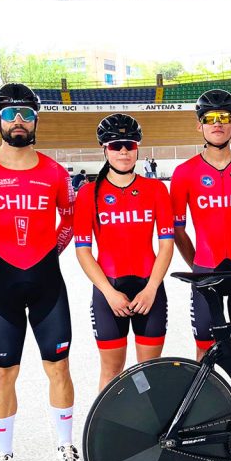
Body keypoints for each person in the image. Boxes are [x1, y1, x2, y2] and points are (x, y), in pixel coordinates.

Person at [0, 83, 81, 461]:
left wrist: (52, 251)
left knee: (59, 368)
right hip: (1, 287)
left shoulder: (54, 171)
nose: (18, 121)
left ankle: (65, 444)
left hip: (47, 283)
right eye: (10, 113)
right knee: (2, 375)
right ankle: (2, 453)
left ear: (36, 120)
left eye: (26, 114)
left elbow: (70, 218)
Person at [170, 89, 231, 395]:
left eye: (224, 118)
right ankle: (203, 413)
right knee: (205, 351)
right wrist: (196, 263)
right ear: (200, 126)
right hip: (205, 270)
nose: (217, 124)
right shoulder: (184, 173)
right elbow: (178, 231)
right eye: (210, 119)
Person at [74, 114, 174, 390]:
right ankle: (109, 432)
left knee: (148, 373)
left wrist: (152, 287)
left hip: (149, 291)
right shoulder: (88, 194)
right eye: (115, 145)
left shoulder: (155, 190)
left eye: (129, 145)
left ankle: (146, 431)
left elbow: (166, 244)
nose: (123, 151)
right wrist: (108, 292)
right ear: (104, 149)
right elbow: (83, 251)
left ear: (137, 147)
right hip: (109, 292)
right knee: (112, 372)